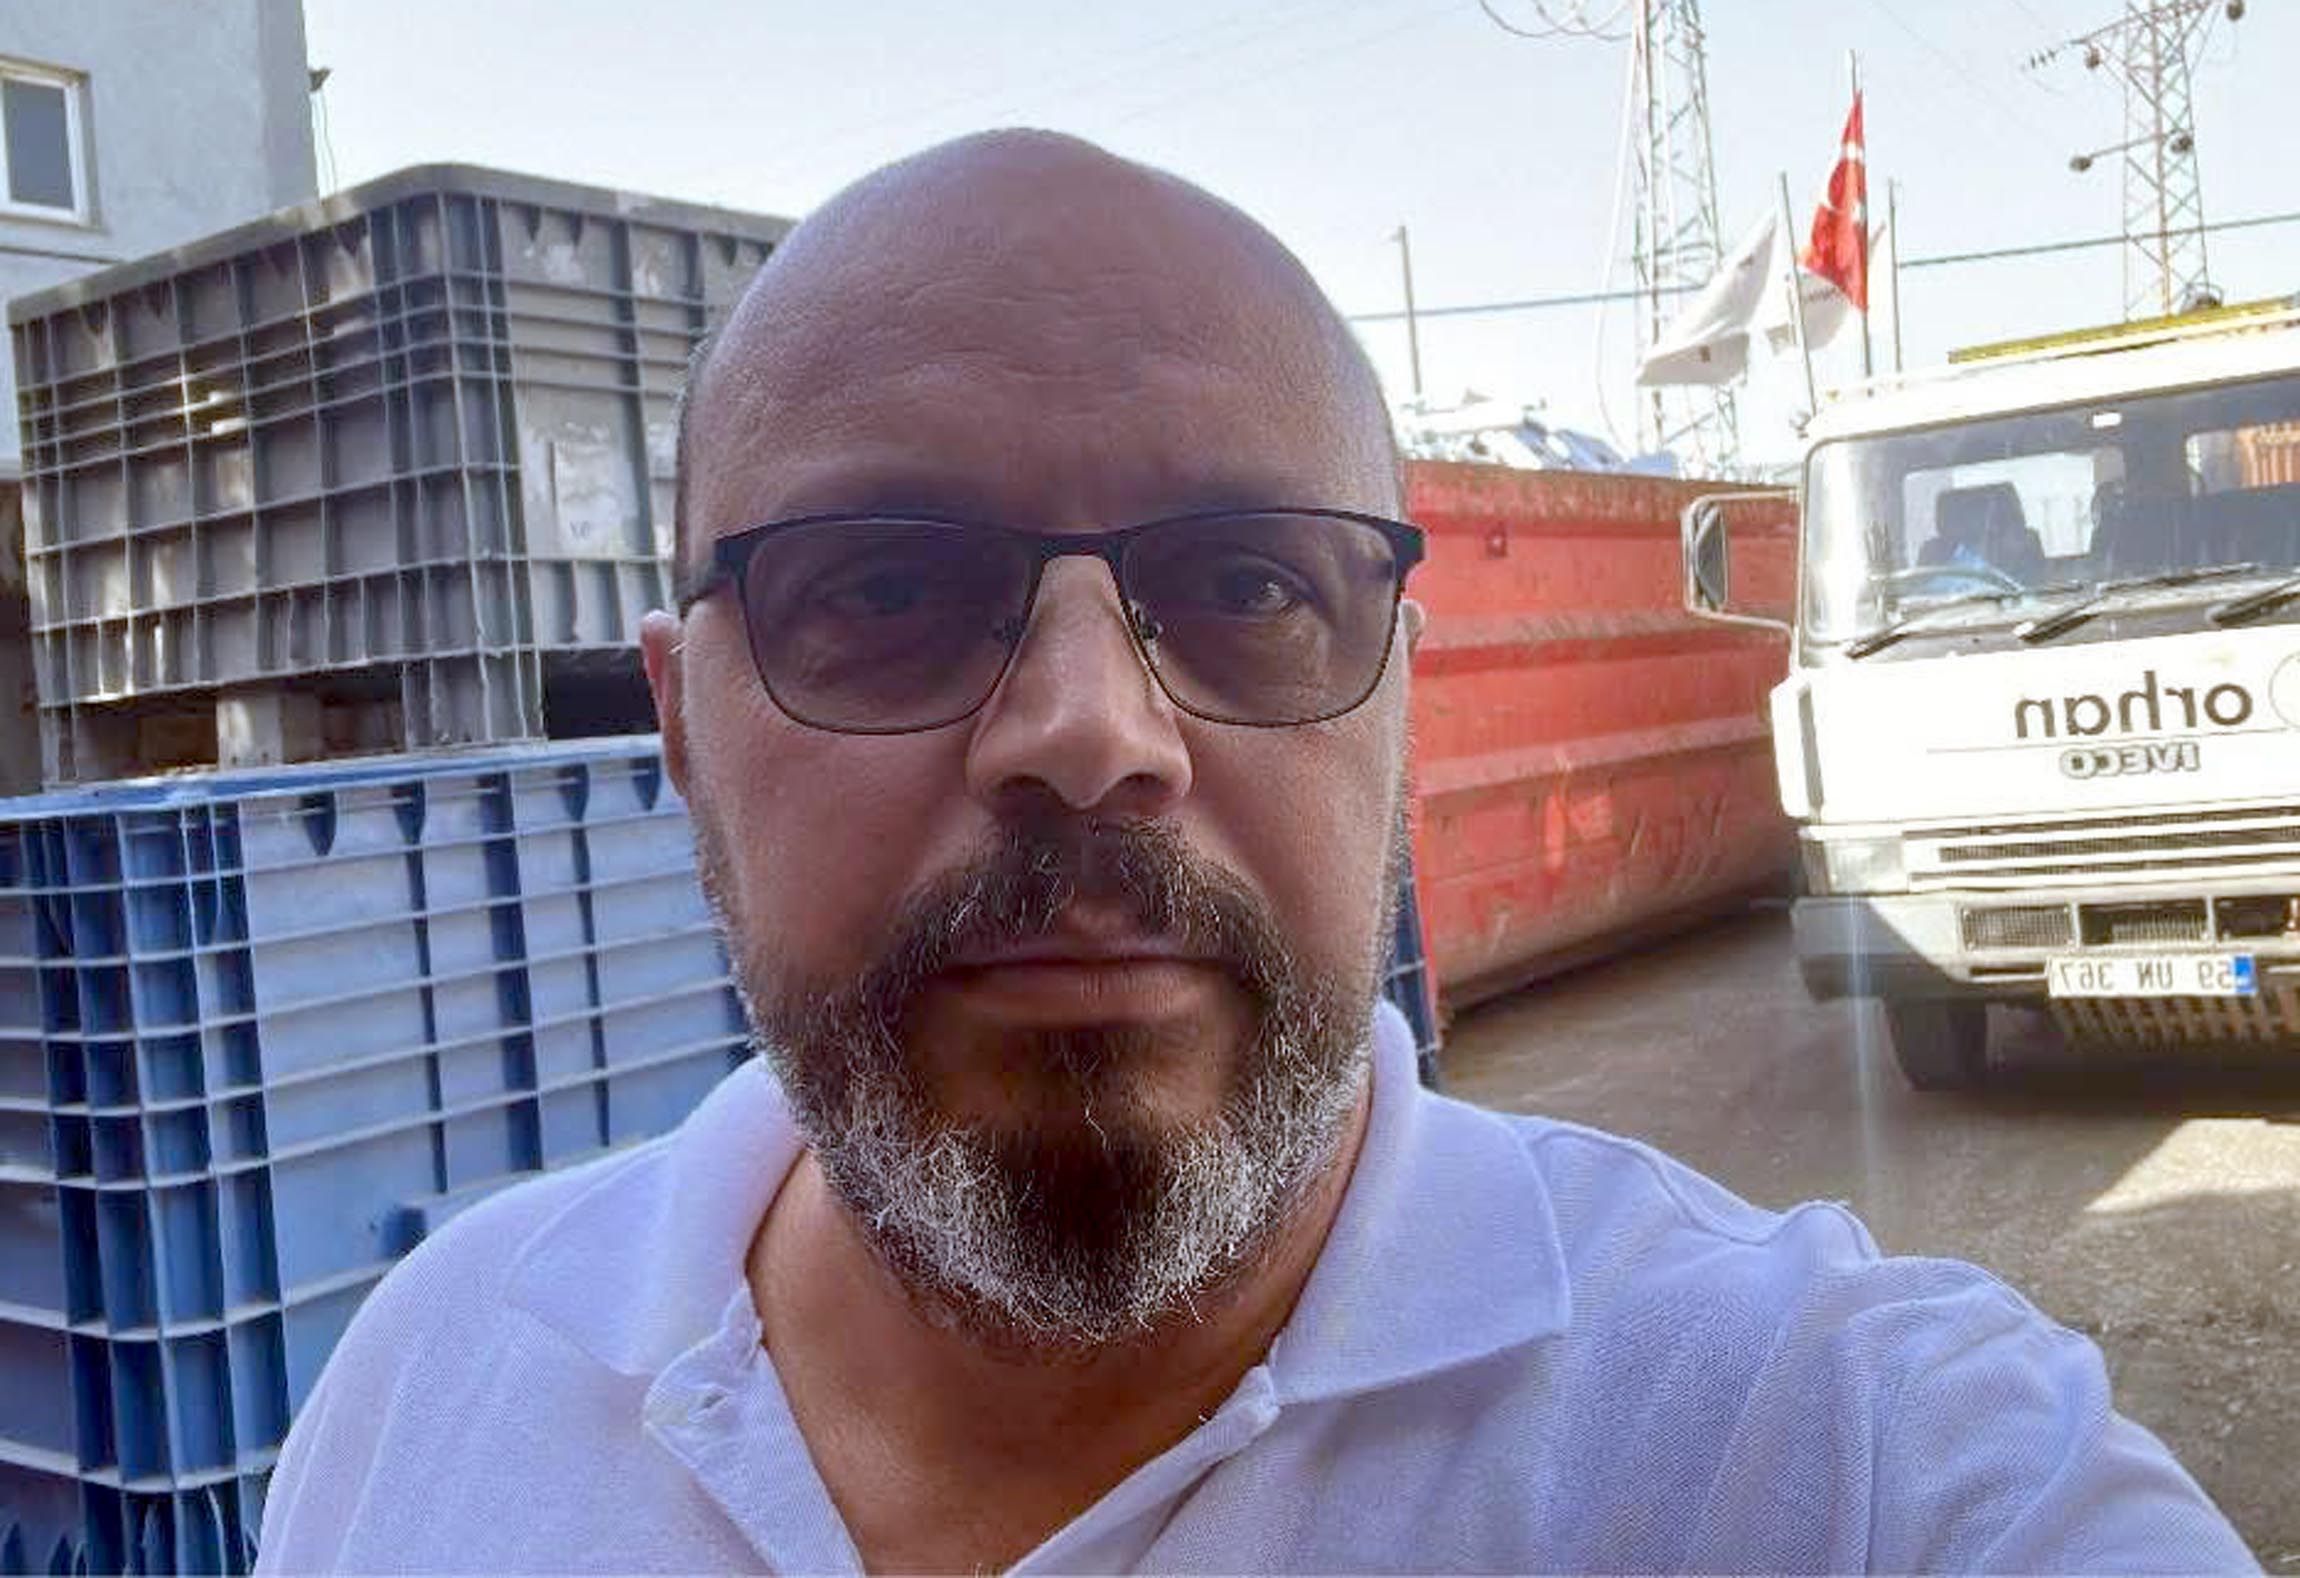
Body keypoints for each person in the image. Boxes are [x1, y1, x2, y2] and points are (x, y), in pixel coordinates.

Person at [255, 131, 2254, 1574]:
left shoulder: (1845, 1459)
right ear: (682, 727)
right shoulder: (436, 1378)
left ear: (1399, 698)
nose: (1089, 733)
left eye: (1244, 584)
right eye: (882, 586)